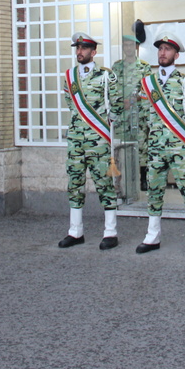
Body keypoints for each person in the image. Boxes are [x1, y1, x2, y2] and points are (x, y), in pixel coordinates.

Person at [135, 32, 185, 257]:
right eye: (160, 49)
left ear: (176, 54)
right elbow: (144, 115)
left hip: (180, 148)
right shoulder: (148, 83)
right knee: (154, 191)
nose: (162, 53)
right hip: (155, 148)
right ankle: (152, 236)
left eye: (167, 49)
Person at [58, 32, 123, 250]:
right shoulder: (69, 76)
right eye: (77, 48)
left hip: (98, 140)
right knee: (75, 184)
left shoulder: (106, 76)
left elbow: (117, 105)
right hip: (76, 139)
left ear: (93, 52)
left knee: (104, 184)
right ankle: (75, 232)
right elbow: (71, 104)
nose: (79, 52)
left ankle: (110, 232)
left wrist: (103, 126)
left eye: (84, 48)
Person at [111, 21, 152, 191]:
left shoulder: (144, 67)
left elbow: (147, 91)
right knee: (120, 149)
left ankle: (142, 179)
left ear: (136, 47)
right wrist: (122, 103)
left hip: (137, 115)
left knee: (142, 147)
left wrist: (133, 101)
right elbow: (111, 89)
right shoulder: (116, 67)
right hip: (121, 115)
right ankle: (119, 183)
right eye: (125, 45)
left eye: (131, 44)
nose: (128, 48)